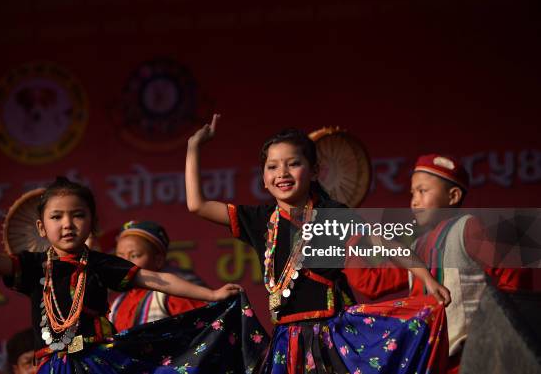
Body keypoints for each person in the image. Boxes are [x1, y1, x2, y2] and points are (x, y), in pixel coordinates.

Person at [185, 114, 452, 374]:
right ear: (264, 179)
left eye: (293, 164)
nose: (282, 173)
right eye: (273, 166)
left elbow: (385, 243)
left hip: (330, 338)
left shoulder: (332, 214)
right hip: (285, 344)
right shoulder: (259, 220)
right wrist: (193, 146)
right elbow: (197, 204)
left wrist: (425, 276)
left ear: (314, 171)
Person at [0, 177, 243, 373]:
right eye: (56, 217)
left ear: (92, 223)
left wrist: (212, 294)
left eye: (78, 215)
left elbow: (156, 279)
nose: (68, 224)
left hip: (96, 360)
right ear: (41, 227)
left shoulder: (99, 263)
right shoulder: (33, 265)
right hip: (52, 364)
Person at [408, 153, 537, 373]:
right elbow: (371, 282)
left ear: (453, 196)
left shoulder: (467, 229)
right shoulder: (414, 249)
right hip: (429, 362)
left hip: (468, 360)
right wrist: (350, 237)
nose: (414, 201)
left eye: (422, 191)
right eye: (412, 193)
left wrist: (505, 328)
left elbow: (513, 269)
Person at [109, 220, 206, 331]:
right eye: (120, 256)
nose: (124, 263)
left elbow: (204, 325)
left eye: (134, 255)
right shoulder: (115, 305)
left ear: (158, 260)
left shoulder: (169, 296)